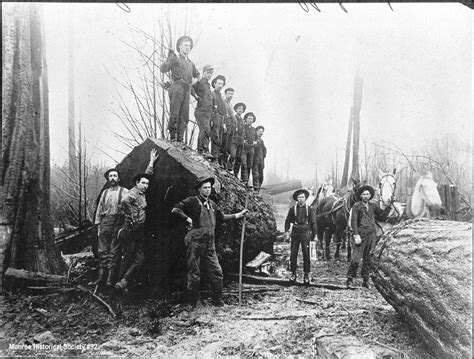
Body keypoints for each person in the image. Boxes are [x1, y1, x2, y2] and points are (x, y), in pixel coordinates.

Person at [171, 177, 248, 308]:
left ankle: (218, 300)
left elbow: (222, 217)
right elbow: (175, 210)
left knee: (216, 271)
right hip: (195, 242)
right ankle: (193, 303)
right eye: (205, 188)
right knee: (194, 272)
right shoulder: (192, 201)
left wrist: (239, 214)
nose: (208, 190)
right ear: (199, 189)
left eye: (209, 187)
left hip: (209, 243)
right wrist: (187, 218)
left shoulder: (212, 204)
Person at [114, 149, 159, 294]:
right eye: (143, 183)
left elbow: (147, 175)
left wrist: (151, 162)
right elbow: (124, 200)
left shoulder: (141, 192)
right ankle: (121, 283)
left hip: (139, 230)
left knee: (138, 258)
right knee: (129, 257)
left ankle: (124, 281)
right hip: (131, 230)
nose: (146, 185)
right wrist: (132, 217)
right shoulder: (133, 193)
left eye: (147, 184)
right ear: (137, 183)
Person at [346, 185, 392, 289]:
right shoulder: (356, 206)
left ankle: (365, 280)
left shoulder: (373, 206)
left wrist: (388, 207)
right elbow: (354, 221)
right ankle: (350, 278)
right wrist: (356, 234)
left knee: (368, 259)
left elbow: (381, 216)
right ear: (360, 196)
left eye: (367, 194)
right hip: (360, 234)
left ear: (370, 195)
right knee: (356, 259)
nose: (366, 196)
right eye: (363, 194)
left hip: (371, 235)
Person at [92, 168, 129, 286]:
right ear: (108, 178)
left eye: (115, 176)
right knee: (103, 251)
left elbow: (130, 209)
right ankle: (100, 278)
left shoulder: (124, 191)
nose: (112, 178)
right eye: (110, 176)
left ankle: (110, 280)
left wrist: (125, 226)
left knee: (114, 252)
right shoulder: (105, 193)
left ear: (118, 178)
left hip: (117, 223)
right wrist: (98, 224)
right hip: (105, 223)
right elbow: (99, 209)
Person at [160, 35, 200, 142]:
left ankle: (180, 139)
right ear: (179, 46)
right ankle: (173, 137)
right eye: (185, 45)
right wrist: (169, 57)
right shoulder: (174, 58)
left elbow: (198, 74)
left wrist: (194, 81)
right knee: (175, 114)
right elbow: (163, 69)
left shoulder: (191, 63)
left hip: (187, 89)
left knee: (184, 116)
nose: (188, 47)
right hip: (177, 87)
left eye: (189, 46)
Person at [284, 189, 317, 285]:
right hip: (295, 232)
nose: (301, 199)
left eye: (302, 197)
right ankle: (293, 274)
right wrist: (286, 232)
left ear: (305, 198)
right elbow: (287, 221)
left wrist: (314, 236)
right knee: (293, 254)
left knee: (306, 254)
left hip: (305, 232)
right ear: (296, 199)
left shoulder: (309, 209)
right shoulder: (292, 209)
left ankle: (306, 275)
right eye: (299, 197)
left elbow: (314, 223)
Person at [193, 65, 214, 157]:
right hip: (201, 110)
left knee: (204, 130)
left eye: (211, 73)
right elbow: (190, 86)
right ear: (203, 72)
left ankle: (200, 149)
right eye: (208, 73)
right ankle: (205, 149)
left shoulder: (208, 85)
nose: (210, 75)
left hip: (207, 112)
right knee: (205, 129)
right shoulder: (200, 82)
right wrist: (195, 96)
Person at [210, 75, 227, 164]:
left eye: (222, 84)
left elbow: (224, 112)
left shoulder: (221, 97)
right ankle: (213, 158)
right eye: (219, 83)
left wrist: (224, 124)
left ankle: (216, 159)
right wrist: (211, 120)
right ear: (214, 84)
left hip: (221, 119)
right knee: (215, 137)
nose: (220, 85)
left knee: (219, 139)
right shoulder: (212, 94)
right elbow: (210, 108)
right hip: (215, 117)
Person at [228, 102, 246, 176]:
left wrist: (244, 138)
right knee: (232, 155)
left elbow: (244, 131)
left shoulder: (242, 121)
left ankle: (236, 173)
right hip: (234, 139)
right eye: (239, 108)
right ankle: (229, 169)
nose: (240, 110)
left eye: (242, 109)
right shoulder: (233, 118)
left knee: (239, 158)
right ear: (235, 109)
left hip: (241, 141)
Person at [241, 112, 257, 184]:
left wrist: (255, 142)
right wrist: (243, 141)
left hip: (251, 149)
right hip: (244, 149)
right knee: (244, 164)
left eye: (252, 119)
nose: (250, 120)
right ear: (246, 119)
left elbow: (257, 139)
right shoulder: (243, 127)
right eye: (249, 118)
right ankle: (244, 180)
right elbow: (241, 136)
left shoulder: (254, 129)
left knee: (249, 165)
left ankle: (246, 181)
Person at [222, 88, 236, 170]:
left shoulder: (230, 105)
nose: (230, 95)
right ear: (225, 94)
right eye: (229, 93)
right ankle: (222, 163)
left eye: (232, 94)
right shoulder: (223, 102)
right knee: (224, 145)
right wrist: (223, 124)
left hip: (231, 127)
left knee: (228, 147)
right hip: (226, 126)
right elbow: (223, 114)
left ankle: (225, 165)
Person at [252, 126, 266, 192]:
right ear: (256, 131)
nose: (261, 133)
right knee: (256, 176)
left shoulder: (261, 141)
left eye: (262, 131)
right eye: (260, 131)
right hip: (255, 161)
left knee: (261, 177)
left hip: (261, 162)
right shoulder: (254, 139)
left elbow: (264, 153)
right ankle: (256, 191)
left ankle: (257, 191)